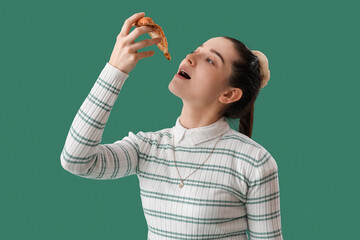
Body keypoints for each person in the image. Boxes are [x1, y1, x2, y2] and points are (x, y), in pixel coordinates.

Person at [60, 12, 283, 240]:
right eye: (196, 50)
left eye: (210, 60)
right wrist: (114, 71)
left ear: (229, 94)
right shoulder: (147, 147)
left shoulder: (254, 162)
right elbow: (77, 161)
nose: (189, 57)